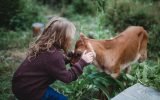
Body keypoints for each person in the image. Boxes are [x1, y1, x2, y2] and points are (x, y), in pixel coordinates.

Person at [12, 17, 95, 100]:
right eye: (70, 38)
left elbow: (51, 63)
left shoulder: (45, 47)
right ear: (62, 39)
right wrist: (82, 62)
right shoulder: (54, 57)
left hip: (22, 84)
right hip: (31, 90)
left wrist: (70, 55)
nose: (71, 40)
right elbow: (67, 77)